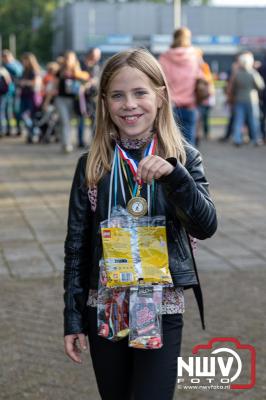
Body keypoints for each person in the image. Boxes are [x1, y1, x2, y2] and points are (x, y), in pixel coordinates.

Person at [63, 48, 217, 400]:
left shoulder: (184, 158)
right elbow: (76, 247)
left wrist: (176, 178)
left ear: (160, 96)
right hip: (105, 307)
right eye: (117, 95)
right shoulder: (93, 164)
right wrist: (72, 319)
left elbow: (206, 225)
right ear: (104, 101)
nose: (129, 104)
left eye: (140, 93)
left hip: (161, 307)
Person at [159, 27, 203, 145]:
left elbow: (159, 79)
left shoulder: (164, 57)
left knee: (170, 143)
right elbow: (201, 77)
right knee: (189, 145)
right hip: (190, 104)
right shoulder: (194, 56)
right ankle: (188, 164)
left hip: (170, 105)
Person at [55, 50, 90, 153]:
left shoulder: (78, 71)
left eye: (70, 58)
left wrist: (77, 76)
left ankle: (66, 142)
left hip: (73, 99)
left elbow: (87, 78)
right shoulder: (60, 70)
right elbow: (55, 83)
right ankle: (67, 144)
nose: (67, 60)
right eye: (66, 58)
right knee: (65, 121)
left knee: (68, 122)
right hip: (60, 99)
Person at [230, 52, 264, 146]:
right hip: (252, 100)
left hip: (239, 99)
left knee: (238, 121)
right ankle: (256, 139)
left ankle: (237, 139)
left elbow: (233, 87)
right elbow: (260, 86)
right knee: (253, 120)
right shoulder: (253, 73)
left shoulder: (237, 74)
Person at [76, 47, 102, 147]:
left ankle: (94, 141)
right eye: (97, 55)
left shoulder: (97, 66)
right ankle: (80, 141)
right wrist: (86, 83)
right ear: (91, 54)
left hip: (93, 96)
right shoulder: (81, 64)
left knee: (95, 118)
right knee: (81, 118)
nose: (98, 57)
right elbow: (77, 76)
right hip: (82, 96)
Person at [19, 52, 43, 143]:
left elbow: (36, 84)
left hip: (32, 96)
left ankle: (34, 133)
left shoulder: (34, 71)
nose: (24, 62)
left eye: (25, 60)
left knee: (31, 116)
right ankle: (33, 132)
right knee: (23, 115)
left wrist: (25, 82)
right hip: (24, 95)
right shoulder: (24, 70)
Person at [1, 49, 23, 136]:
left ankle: (18, 128)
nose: (5, 59)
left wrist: (7, 66)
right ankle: (8, 129)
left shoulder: (14, 65)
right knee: (7, 111)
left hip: (15, 91)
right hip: (6, 92)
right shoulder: (4, 65)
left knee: (16, 110)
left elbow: (18, 73)